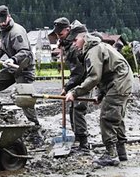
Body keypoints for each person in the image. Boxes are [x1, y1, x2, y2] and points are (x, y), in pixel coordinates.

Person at [65, 27, 133, 166]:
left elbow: (94, 77)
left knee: (107, 117)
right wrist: (101, 94)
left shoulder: (93, 50)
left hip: (118, 83)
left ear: (83, 37)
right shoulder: (99, 47)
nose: (74, 44)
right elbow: (105, 74)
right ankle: (121, 153)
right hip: (121, 81)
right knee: (117, 117)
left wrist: (74, 92)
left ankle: (110, 154)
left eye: (75, 40)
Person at [0, 5, 39, 125]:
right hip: (11, 69)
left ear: (9, 17)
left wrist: (13, 59)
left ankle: (34, 124)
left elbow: (25, 52)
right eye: (0, 22)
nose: (2, 23)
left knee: (24, 98)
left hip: (24, 68)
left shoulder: (17, 32)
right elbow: (2, 47)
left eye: (4, 21)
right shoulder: (2, 31)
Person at [49, 17, 89, 150]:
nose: (58, 37)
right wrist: (63, 44)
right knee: (73, 108)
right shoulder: (68, 43)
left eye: (60, 34)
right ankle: (77, 137)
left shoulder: (75, 46)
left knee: (78, 108)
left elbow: (78, 72)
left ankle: (84, 142)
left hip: (85, 79)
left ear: (68, 30)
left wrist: (67, 88)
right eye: (56, 34)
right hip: (78, 78)